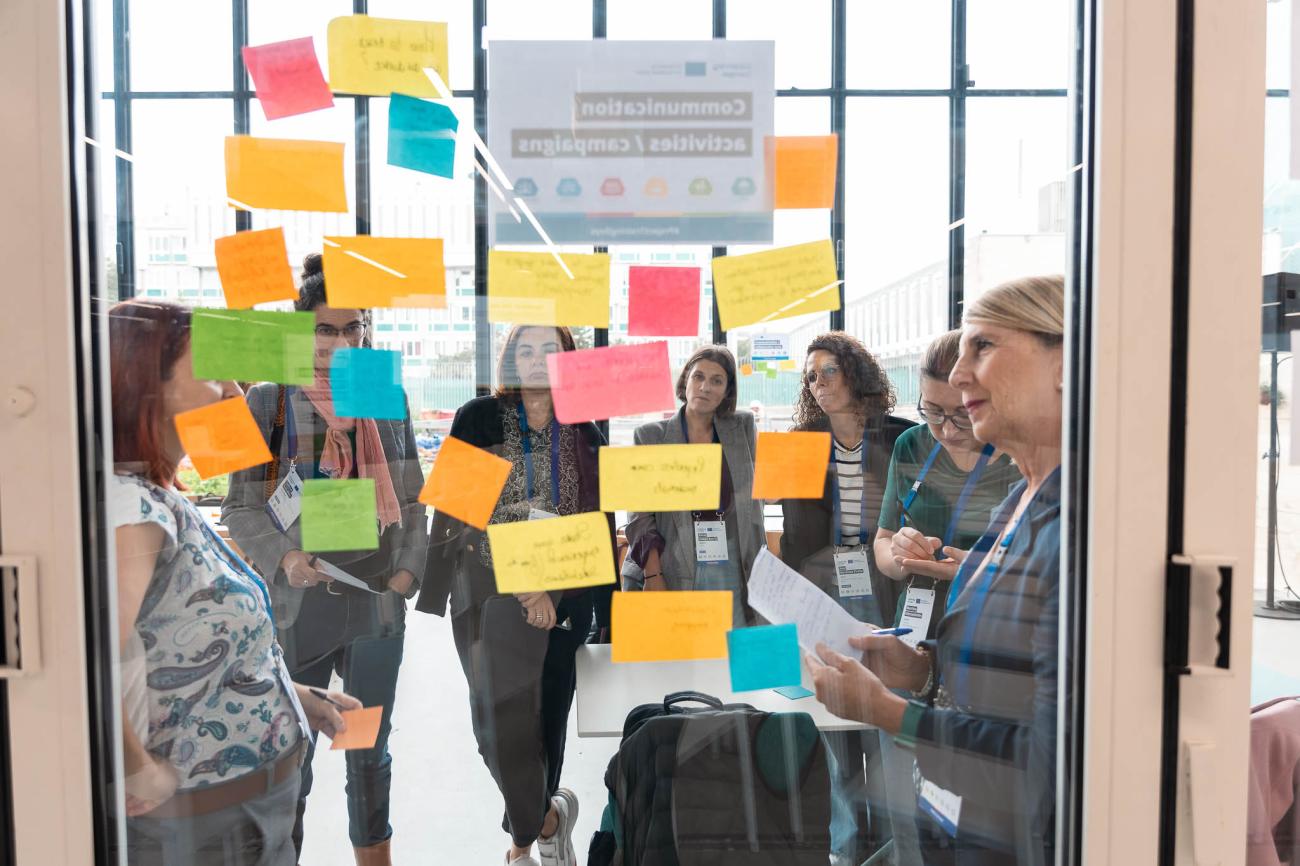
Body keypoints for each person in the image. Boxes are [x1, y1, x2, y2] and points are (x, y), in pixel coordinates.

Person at [807, 275, 1066, 866]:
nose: (959, 374)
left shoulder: (1084, 527)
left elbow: (1047, 764)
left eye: (984, 347)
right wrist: (923, 673)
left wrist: (885, 711)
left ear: (1064, 363)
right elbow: (1006, 684)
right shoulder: (1020, 503)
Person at [108, 299, 359, 865]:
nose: (233, 392)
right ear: (144, 386)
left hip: (240, 814)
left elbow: (179, 642)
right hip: (204, 823)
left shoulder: (160, 496)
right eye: (210, 374)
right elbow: (87, 660)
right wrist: (137, 770)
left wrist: (294, 698)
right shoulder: (132, 511)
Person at [223, 254, 429, 866]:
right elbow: (240, 507)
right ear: (300, 329)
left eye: (352, 328)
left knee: (366, 747)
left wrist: (406, 574)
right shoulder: (268, 402)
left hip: (373, 602)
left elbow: (413, 496)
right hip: (297, 606)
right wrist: (285, 558)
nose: (340, 342)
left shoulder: (382, 396)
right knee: (295, 748)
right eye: (326, 329)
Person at [416, 324, 616, 866]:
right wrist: (525, 585)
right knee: (495, 727)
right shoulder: (478, 417)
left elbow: (596, 524)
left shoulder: (585, 431)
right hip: (485, 595)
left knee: (546, 721)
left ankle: (523, 845)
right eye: (524, 349)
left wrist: (603, 609)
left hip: (564, 600)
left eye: (549, 349)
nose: (536, 359)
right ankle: (549, 817)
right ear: (509, 360)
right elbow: (458, 512)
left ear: (567, 360)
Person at [871, 329, 1022, 866]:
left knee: (973, 785)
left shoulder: (1017, 459)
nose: (945, 429)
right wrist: (900, 556)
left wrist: (969, 568)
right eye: (930, 412)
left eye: (958, 415)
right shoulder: (913, 446)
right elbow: (883, 541)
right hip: (915, 626)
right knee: (913, 785)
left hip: (985, 642)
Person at [779, 331, 914, 866]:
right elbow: (791, 536)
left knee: (885, 709)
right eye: (811, 375)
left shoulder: (900, 437)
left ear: (855, 373)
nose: (818, 383)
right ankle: (843, 846)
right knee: (832, 712)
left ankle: (893, 842)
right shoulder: (799, 443)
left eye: (828, 370)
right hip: (821, 580)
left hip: (885, 581)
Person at [622, 345, 766, 626]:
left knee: (729, 654)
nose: (705, 387)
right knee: (680, 657)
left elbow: (756, 498)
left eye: (717, 381)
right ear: (685, 379)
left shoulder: (743, 427)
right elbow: (640, 516)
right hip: (671, 560)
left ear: (727, 391)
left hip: (731, 560)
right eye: (698, 376)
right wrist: (654, 576)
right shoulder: (650, 436)